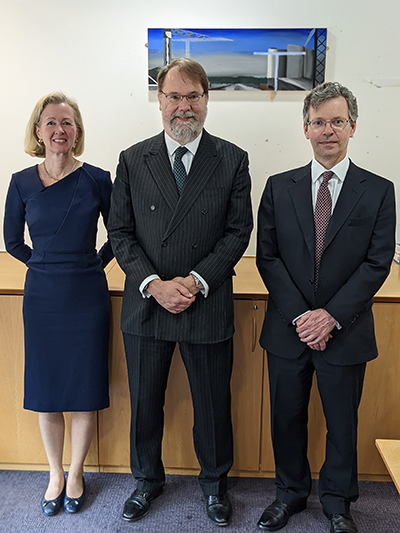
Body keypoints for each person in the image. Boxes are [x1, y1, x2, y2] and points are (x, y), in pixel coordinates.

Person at [108, 58, 253, 527]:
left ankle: (214, 485)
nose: (183, 106)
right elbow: (120, 233)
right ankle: (146, 480)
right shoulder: (133, 159)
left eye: (193, 96)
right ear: (160, 101)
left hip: (204, 301)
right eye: (174, 96)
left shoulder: (232, 158)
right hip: (148, 303)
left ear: (207, 100)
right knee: (146, 401)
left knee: (213, 405)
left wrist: (194, 281)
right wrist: (154, 283)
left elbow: (237, 232)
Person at [256, 82, 395, 533]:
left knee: (341, 424)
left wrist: (331, 316)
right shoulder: (279, 187)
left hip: (346, 330)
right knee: (287, 418)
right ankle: (290, 494)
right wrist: (302, 315)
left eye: (337, 121)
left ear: (352, 127)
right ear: (305, 129)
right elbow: (268, 257)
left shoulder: (378, 190)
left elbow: (377, 263)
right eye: (319, 122)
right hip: (289, 330)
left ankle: (338, 502)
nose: (327, 130)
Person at [3, 92, 113, 516]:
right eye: (51, 123)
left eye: (67, 123)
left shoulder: (98, 179)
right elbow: (13, 241)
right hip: (43, 297)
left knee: (84, 390)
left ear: (77, 131)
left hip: (87, 295)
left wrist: (92, 265)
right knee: (47, 392)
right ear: (37, 131)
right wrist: (45, 264)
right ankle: (54, 474)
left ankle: (77, 470)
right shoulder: (21, 182)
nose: (59, 130)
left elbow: (118, 235)